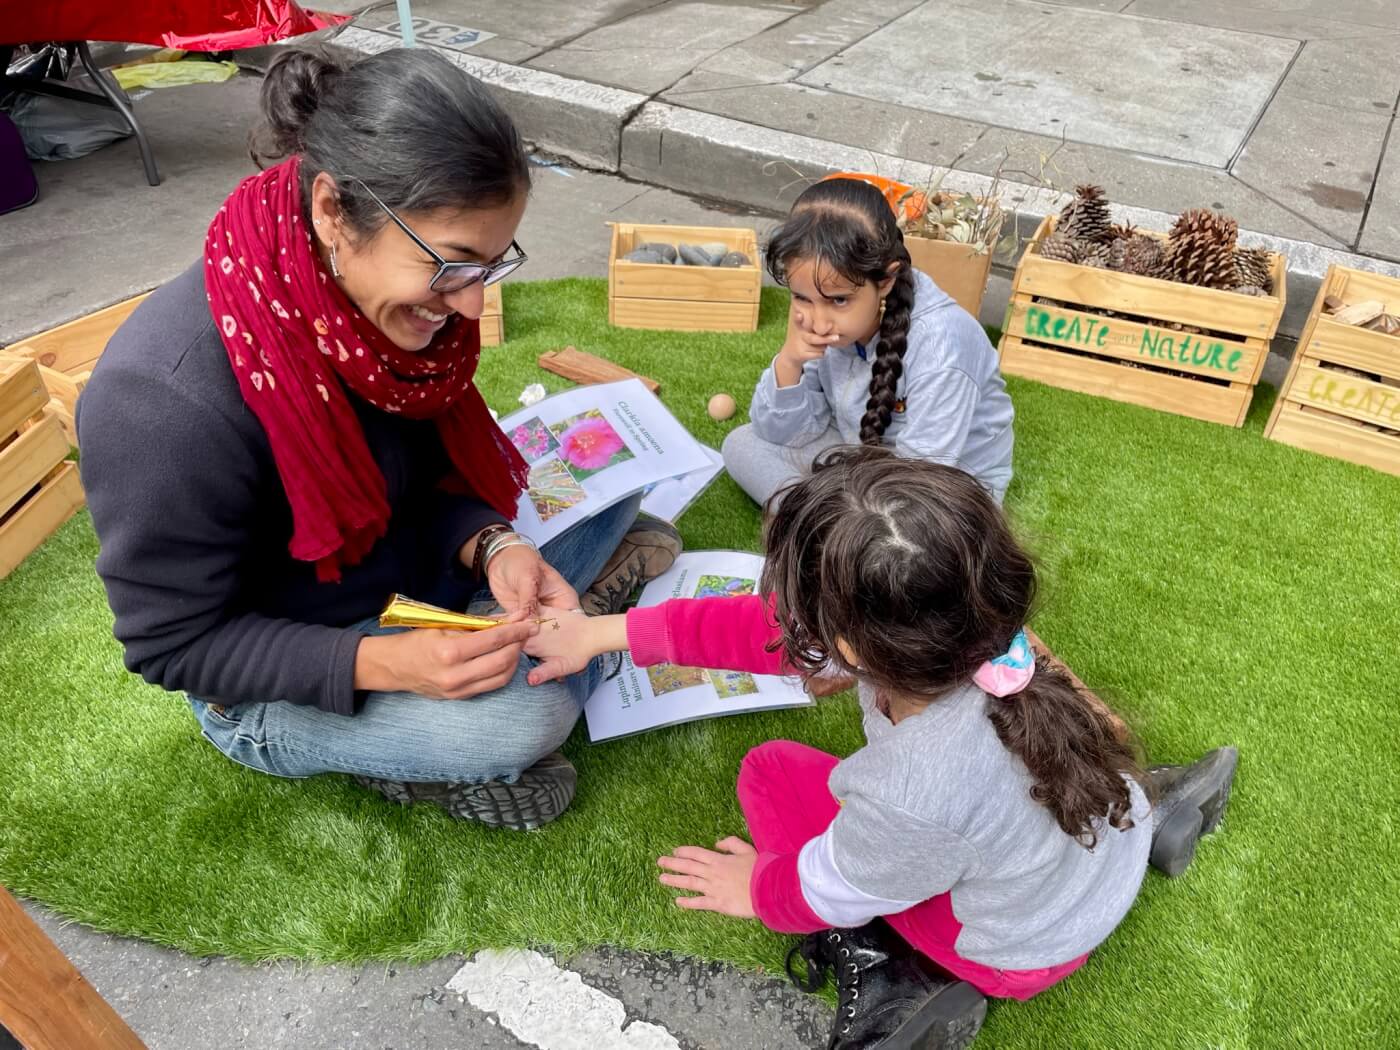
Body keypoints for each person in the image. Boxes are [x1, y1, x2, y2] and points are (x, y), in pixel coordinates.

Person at [75, 46, 680, 831]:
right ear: (332, 210)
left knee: (620, 492)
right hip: (283, 669)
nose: (467, 311)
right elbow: (175, 645)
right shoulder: (164, 399)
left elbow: (425, 475)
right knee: (524, 722)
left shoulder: (375, 317)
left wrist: (493, 546)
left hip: (406, 587)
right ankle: (525, 675)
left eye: (492, 268)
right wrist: (383, 665)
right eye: (450, 265)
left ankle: (546, 638)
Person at [525, 447, 1237, 1050]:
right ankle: (1160, 805)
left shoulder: (910, 792)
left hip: (1021, 952)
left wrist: (761, 890)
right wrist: (604, 632)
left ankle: (889, 964)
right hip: (1111, 838)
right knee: (960, 824)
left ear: (842, 645)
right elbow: (759, 631)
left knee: (769, 774)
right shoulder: (992, 639)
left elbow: (830, 885)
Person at [722, 177, 1014, 507]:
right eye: (802, 298)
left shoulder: (943, 342)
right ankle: (824, 527)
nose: (818, 322)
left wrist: (841, 496)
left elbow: (924, 479)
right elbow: (784, 433)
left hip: (941, 490)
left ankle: (816, 526)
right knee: (741, 444)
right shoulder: (828, 321)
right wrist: (789, 362)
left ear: (886, 281)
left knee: (912, 531)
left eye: (839, 300)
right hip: (858, 456)